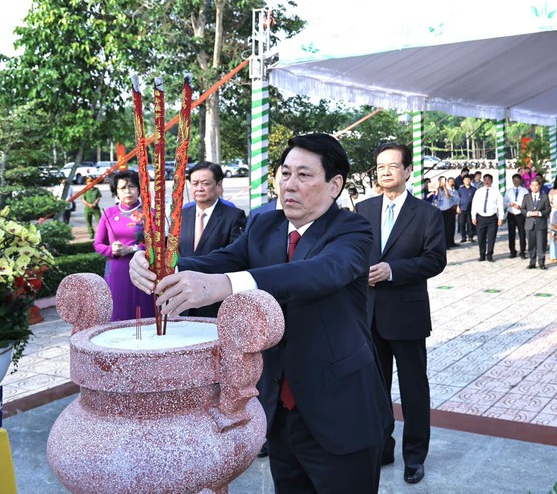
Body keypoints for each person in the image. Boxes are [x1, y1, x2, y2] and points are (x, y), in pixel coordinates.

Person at [128, 133, 392, 493]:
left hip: (341, 409)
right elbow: (220, 261)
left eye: (303, 175)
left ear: (334, 186)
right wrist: (162, 266)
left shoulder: (353, 230)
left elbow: (320, 273)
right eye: (284, 174)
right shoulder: (263, 225)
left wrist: (224, 284)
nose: (290, 185)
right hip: (279, 411)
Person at [356, 142, 446, 485]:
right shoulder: (362, 210)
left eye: (393, 166)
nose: (386, 172)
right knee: (375, 389)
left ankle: (414, 457)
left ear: (408, 170)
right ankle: (382, 446)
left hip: (407, 317)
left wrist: (392, 270)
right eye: (380, 167)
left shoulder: (427, 214)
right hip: (369, 316)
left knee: (413, 391)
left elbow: (435, 260)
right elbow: (352, 254)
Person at [179, 162, 246, 318]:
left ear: (219, 185)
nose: (199, 188)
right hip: (183, 298)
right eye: (195, 183)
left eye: (205, 183)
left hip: (214, 299)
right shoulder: (182, 214)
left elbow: (235, 258)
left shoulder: (234, 216)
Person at [94, 170, 155, 322]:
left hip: (144, 269)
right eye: (122, 188)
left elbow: (157, 245)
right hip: (117, 270)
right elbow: (98, 244)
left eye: (132, 187)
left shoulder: (150, 214)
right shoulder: (108, 213)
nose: (128, 191)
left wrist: (133, 249)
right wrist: (112, 250)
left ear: (139, 189)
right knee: (118, 313)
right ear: (116, 191)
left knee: (145, 314)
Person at [471, 174, 504, 262]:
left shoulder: (496, 192)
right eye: (485, 179)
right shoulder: (479, 191)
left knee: (491, 237)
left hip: (492, 217)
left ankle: (489, 255)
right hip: (480, 217)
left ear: (492, 181)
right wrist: (473, 216)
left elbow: (500, 205)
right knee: (481, 237)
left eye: (489, 179)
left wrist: (501, 217)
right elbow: (474, 204)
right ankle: (482, 254)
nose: (486, 181)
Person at [522, 178, 550, 269]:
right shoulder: (526, 196)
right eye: (532, 185)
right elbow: (523, 209)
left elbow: (548, 209)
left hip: (540, 223)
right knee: (531, 244)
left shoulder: (544, 196)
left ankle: (541, 262)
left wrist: (540, 213)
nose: (534, 187)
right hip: (529, 224)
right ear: (530, 186)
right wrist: (529, 213)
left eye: (536, 185)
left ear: (539, 186)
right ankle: (532, 262)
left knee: (541, 244)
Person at [503, 173, 527, 259]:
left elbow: (527, 202)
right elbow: (504, 203)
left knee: (522, 233)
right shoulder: (508, 191)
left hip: (520, 214)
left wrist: (521, 206)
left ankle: (522, 251)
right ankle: (512, 251)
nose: (516, 181)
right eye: (514, 180)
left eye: (517, 180)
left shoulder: (525, 191)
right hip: (511, 214)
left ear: (520, 181)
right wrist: (510, 204)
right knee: (511, 233)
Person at [433, 176, 459, 249]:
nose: (442, 183)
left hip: (447, 209)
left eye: (444, 181)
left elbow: (448, 196)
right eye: (441, 181)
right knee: (442, 228)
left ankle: (449, 242)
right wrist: (437, 190)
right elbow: (435, 198)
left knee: (449, 227)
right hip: (439, 210)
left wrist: (444, 188)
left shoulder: (448, 190)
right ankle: (443, 244)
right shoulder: (436, 189)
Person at [457, 175, 476, 242]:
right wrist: (458, 207)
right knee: (462, 223)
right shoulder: (460, 189)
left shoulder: (474, 189)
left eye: (468, 180)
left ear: (470, 180)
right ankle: (463, 237)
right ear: (463, 181)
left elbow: (476, 199)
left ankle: (470, 236)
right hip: (462, 209)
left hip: (471, 209)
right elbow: (458, 198)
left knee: (470, 223)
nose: (467, 181)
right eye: (465, 180)